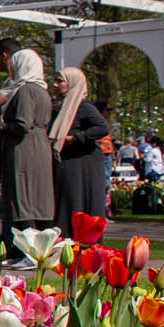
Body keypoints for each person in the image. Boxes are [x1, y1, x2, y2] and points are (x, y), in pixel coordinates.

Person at [0, 49, 56, 261]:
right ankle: (31, 251)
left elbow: (22, 123)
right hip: (39, 146)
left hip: (24, 149)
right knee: (36, 198)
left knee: (23, 197)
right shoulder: (42, 90)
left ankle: (30, 252)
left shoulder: (25, 90)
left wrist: (2, 125)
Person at [50, 66, 112, 233]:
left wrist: (76, 138)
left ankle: (83, 239)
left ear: (72, 83)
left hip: (82, 161)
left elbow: (102, 127)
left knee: (77, 198)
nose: (55, 85)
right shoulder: (61, 107)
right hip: (68, 159)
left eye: (60, 81)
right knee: (67, 199)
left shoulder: (82, 106)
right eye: (55, 80)